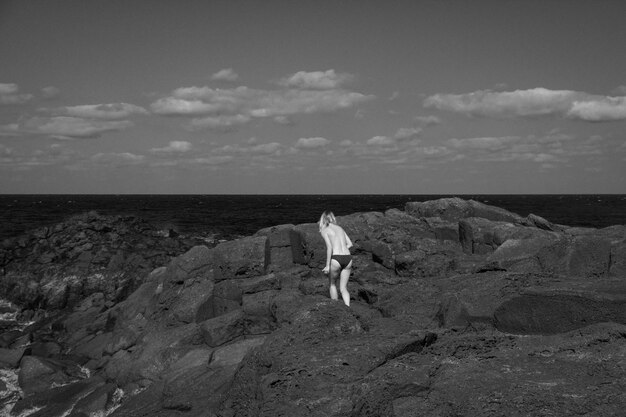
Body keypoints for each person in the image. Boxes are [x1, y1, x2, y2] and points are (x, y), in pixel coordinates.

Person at [318, 211, 353, 306]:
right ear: (333, 218)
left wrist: (327, 266)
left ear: (322, 220)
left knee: (332, 284)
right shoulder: (340, 228)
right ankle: (348, 308)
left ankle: (336, 309)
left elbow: (329, 248)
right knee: (343, 288)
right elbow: (350, 244)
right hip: (348, 257)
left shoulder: (325, 230)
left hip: (336, 258)